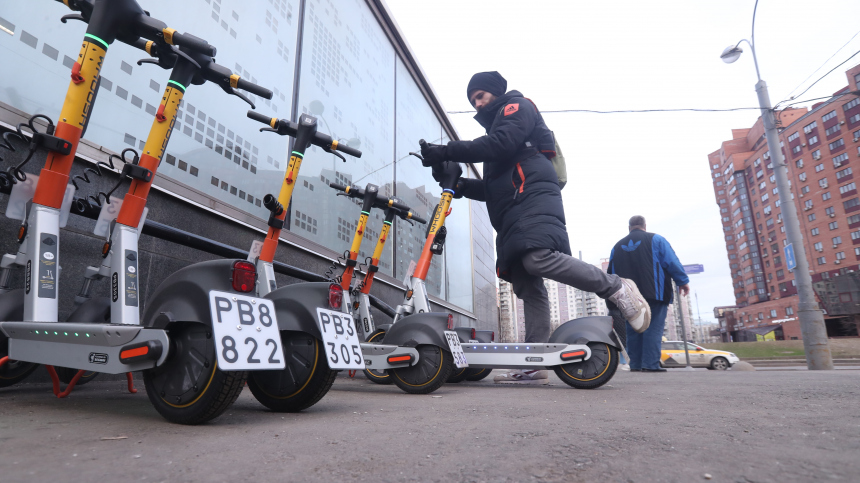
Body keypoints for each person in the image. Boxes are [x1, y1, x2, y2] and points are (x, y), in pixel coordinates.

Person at [420, 71, 651, 384]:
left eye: (481, 95)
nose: (478, 101)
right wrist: (458, 185)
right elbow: (494, 188)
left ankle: (615, 286)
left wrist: (447, 150)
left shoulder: (515, 107)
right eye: (473, 99)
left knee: (537, 257)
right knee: (527, 283)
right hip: (513, 207)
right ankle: (534, 360)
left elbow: (500, 144)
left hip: (531, 196)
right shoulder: (498, 136)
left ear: (495, 92)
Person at [608, 216, 690, 373]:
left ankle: (636, 365)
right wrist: (682, 281)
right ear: (644, 226)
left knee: (633, 328)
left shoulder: (617, 246)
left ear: (629, 227)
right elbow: (671, 261)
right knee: (653, 327)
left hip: (628, 296)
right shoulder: (656, 239)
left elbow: (611, 273)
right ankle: (650, 365)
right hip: (655, 293)